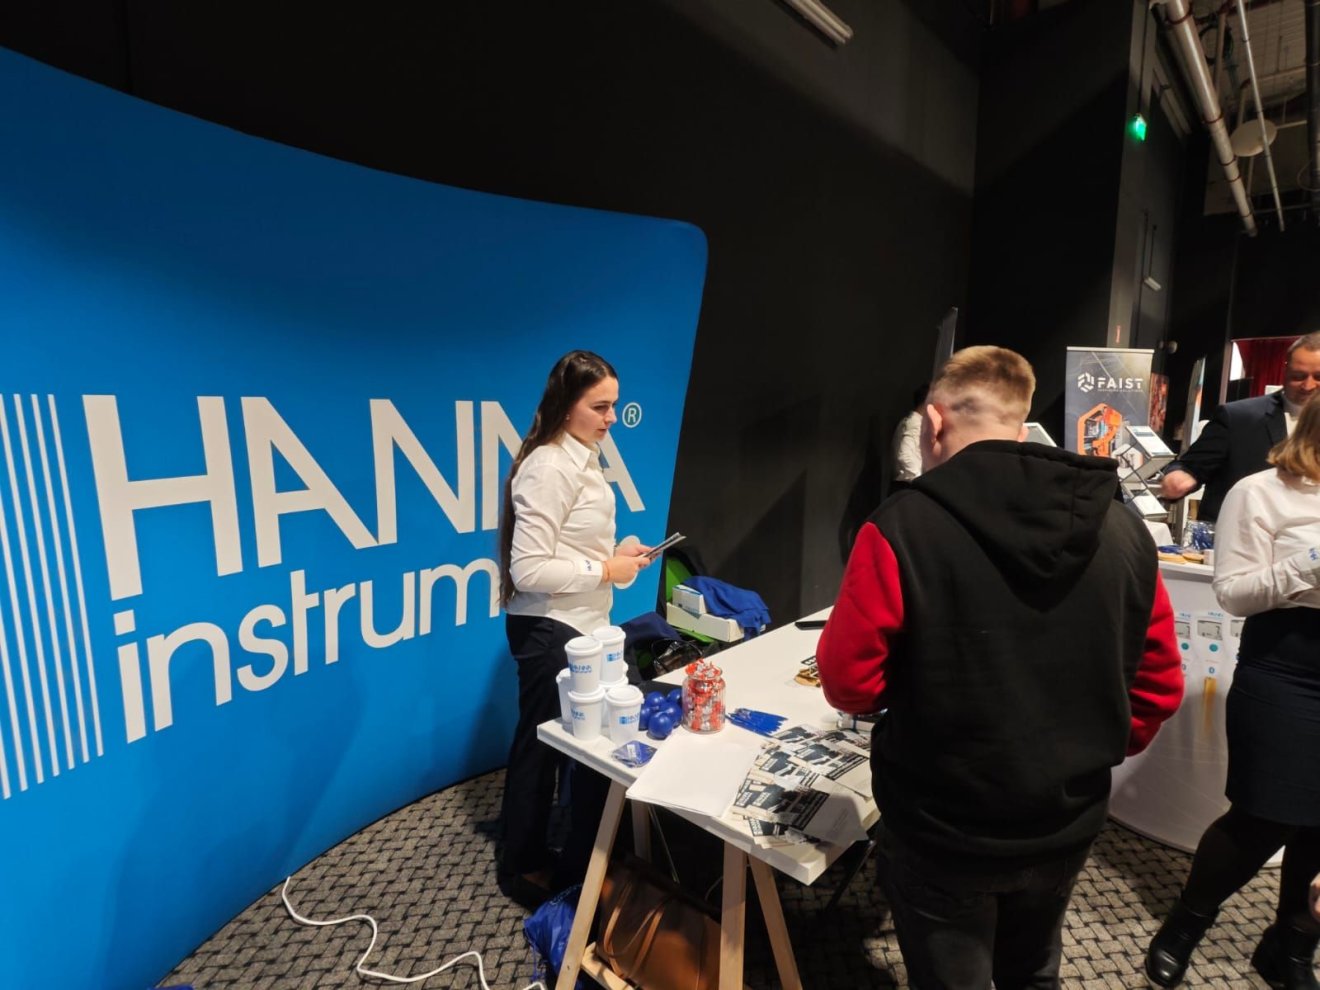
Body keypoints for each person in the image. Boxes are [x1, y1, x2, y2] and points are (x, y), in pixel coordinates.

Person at [817, 345, 1184, 990]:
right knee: (1034, 971)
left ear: (933, 423)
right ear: (1020, 427)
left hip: (943, 822)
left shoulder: (900, 527)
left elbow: (850, 684)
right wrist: (1083, 750)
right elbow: (1158, 685)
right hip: (1066, 817)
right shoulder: (1124, 528)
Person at [1144, 395, 1320, 989]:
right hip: (1287, 665)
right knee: (1263, 815)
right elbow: (1235, 594)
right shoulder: (1261, 491)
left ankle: (1291, 947)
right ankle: (1185, 924)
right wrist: (1311, 563)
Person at [496, 350, 652, 905]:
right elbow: (528, 570)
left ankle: (583, 861)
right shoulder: (548, 466)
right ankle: (522, 866)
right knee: (542, 748)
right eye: (600, 407)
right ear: (566, 406)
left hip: (584, 626)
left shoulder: (583, 458)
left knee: (584, 750)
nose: (612, 418)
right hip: (549, 629)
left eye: (614, 406)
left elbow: (571, 549)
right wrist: (606, 569)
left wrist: (616, 556)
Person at [1159, 331, 1320, 521]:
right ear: (1285, 371)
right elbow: (1191, 466)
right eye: (1298, 376)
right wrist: (1179, 476)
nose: (1308, 386)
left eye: (1318, 377)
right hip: (1241, 530)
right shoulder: (1238, 417)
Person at [891, 382, 928, 487]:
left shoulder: (910, 421)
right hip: (908, 485)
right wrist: (919, 481)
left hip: (905, 484)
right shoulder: (914, 423)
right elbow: (904, 455)